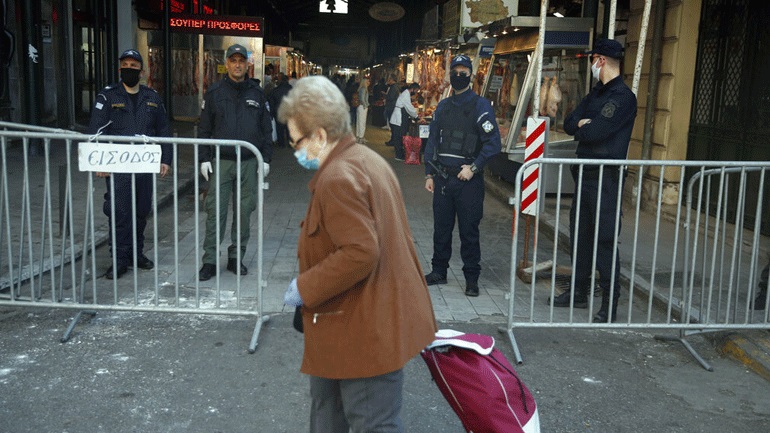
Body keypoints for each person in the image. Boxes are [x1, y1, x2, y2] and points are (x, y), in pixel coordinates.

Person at [278, 76, 437, 433]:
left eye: (297, 141)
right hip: (356, 320)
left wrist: (305, 287)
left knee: (371, 422)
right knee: (329, 414)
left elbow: (361, 251)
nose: (295, 150)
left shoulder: (338, 177)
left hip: (363, 328)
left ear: (320, 134)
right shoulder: (365, 158)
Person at [553, 39, 638, 323]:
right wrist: (581, 124)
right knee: (580, 237)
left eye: (592, 59)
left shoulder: (623, 97)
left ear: (600, 60)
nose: (591, 64)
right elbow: (569, 122)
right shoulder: (595, 94)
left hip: (606, 178)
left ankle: (609, 305)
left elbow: (596, 132)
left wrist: (585, 126)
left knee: (604, 241)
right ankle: (578, 293)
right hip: (585, 175)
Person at [88, 49, 172, 280]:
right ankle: (119, 259)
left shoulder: (152, 97)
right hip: (117, 167)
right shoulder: (108, 96)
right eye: (125, 65)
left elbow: (163, 129)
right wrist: (99, 161)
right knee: (120, 212)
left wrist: (166, 158)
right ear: (120, 69)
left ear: (141, 71)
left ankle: (136, 254)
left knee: (141, 211)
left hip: (144, 166)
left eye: (134, 66)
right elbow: (95, 130)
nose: (129, 69)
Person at [423, 54, 500, 297]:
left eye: (463, 71)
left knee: (469, 231)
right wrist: (429, 173)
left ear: (471, 75)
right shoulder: (443, 107)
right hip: (443, 178)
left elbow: (493, 144)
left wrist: (474, 167)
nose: (458, 75)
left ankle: (471, 279)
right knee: (441, 228)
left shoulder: (481, 106)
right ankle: (438, 271)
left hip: (468, 181)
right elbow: (433, 141)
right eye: (455, 71)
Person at [198, 44, 273, 281]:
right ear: (227, 63)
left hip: (249, 163)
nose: (238, 64)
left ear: (247, 64)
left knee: (243, 214)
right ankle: (209, 261)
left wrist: (266, 159)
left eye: (242, 60)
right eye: (233, 60)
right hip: (222, 162)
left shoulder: (257, 93)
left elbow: (266, 129)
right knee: (215, 213)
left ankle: (235, 258)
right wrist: (203, 158)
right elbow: (204, 129)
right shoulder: (215, 92)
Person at [388, 82, 420, 161]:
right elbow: (409, 107)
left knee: (399, 135)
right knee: (399, 136)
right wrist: (416, 116)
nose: (415, 93)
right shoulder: (406, 95)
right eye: (416, 91)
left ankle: (399, 154)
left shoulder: (406, 93)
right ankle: (398, 155)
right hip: (399, 117)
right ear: (412, 89)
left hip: (399, 116)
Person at [269, 73, 292, 147]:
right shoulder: (292, 90)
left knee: (279, 129)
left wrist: (271, 114)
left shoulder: (275, 91)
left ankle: (281, 144)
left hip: (278, 112)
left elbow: (271, 103)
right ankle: (290, 142)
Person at [355, 76, 369, 143]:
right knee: (362, 122)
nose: (369, 82)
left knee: (359, 122)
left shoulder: (360, 88)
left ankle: (358, 136)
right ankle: (361, 137)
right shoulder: (364, 89)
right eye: (368, 81)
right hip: (362, 107)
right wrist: (366, 106)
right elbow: (362, 99)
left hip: (359, 107)